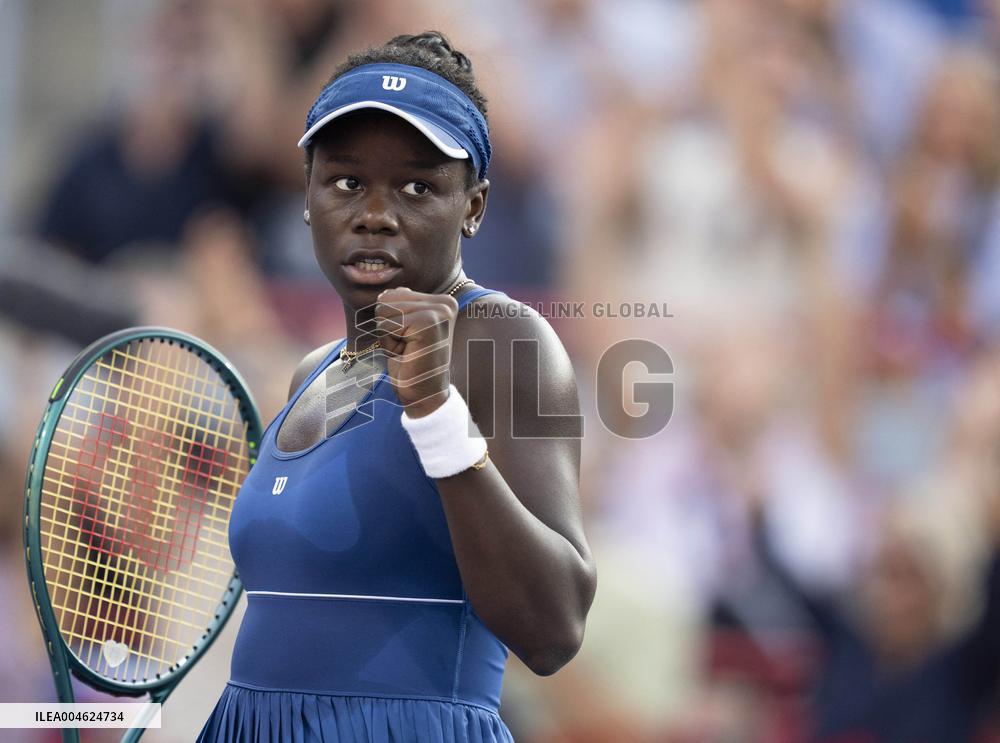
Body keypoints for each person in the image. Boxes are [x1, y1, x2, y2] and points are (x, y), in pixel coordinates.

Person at [196, 31, 597, 742]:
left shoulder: (505, 340)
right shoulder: (308, 373)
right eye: (347, 181)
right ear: (309, 194)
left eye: (418, 186)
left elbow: (553, 626)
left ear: (473, 206)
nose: (376, 213)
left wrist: (436, 414)